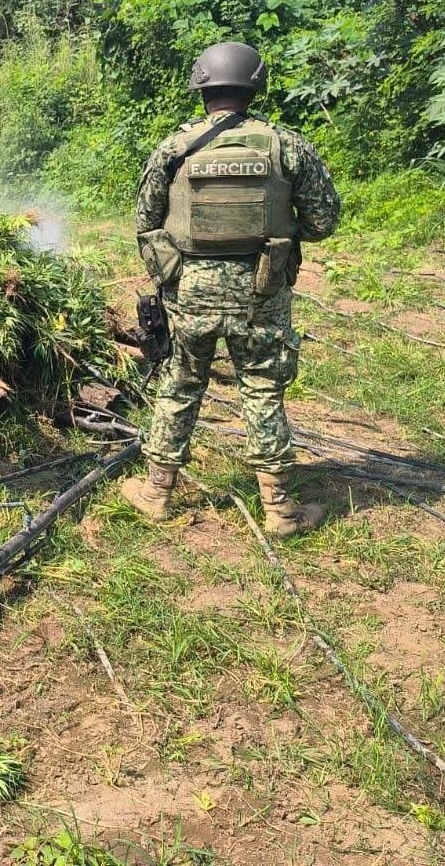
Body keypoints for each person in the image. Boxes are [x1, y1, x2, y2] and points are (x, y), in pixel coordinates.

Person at [126, 41, 341, 535]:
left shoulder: (174, 148)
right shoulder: (287, 145)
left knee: (179, 383)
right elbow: (323, 220)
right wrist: (275, 229)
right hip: (261, 289)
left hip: (190, 291)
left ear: (202, 87)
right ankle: (280, 509)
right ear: (254, 86)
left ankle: (157, 493)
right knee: (263, 387)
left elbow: (144, 220)